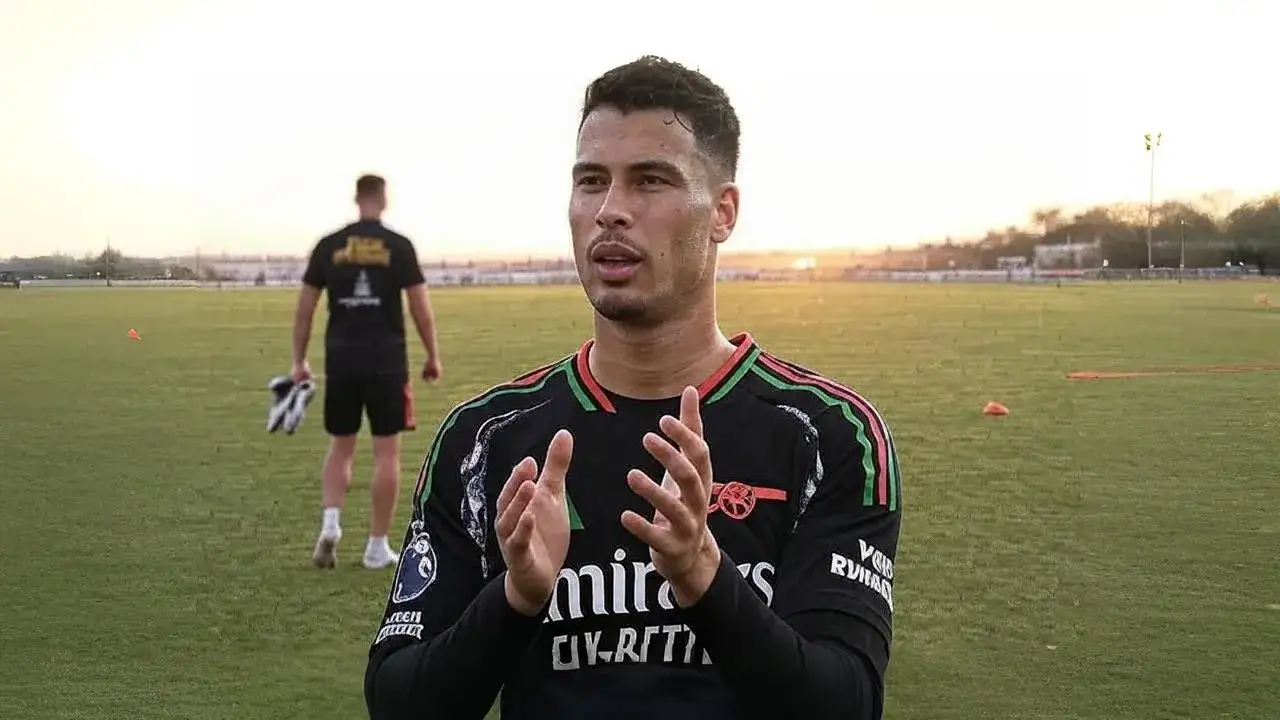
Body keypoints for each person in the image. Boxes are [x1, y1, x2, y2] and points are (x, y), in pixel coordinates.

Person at [363, 57, 902, 720]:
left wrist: (705, 579)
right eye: (591, 182)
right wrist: (515, 599)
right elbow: (398, 702)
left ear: (722, 212)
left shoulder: (824, 433)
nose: (610, 211)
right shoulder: (488, 438)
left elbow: (844, 702)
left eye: (650, 181)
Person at [291, 173, 443, 570]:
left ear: (357, 199)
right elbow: (419, 308)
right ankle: (376, 547)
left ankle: (331, 524)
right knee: (386, 454)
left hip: (340, 360)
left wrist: (298, 360)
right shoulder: (398, 246)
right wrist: (432, 355)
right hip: (386, 362)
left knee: (341, 447)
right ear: (383, 199)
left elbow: (305, 308)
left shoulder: (329, 245)